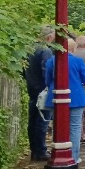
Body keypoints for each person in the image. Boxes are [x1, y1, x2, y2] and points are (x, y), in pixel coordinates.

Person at [43, 38, 85, 163]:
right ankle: (74, 157)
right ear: (73, 48)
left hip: (55, 98)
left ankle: (57, 154)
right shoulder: (78, 61)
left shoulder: (51, 61)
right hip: (76, 98)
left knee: (58, 126)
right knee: (75, 127)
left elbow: (47, 80)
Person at [23, 26, 55, 161]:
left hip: (32, 88)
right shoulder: (45, 50)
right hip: (43, 90)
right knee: (42, 121)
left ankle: (34, 150)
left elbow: (23, 70)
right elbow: (46, 70)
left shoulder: (28, 50)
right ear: (49, 37)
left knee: (33, 121)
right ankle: (41, 151)